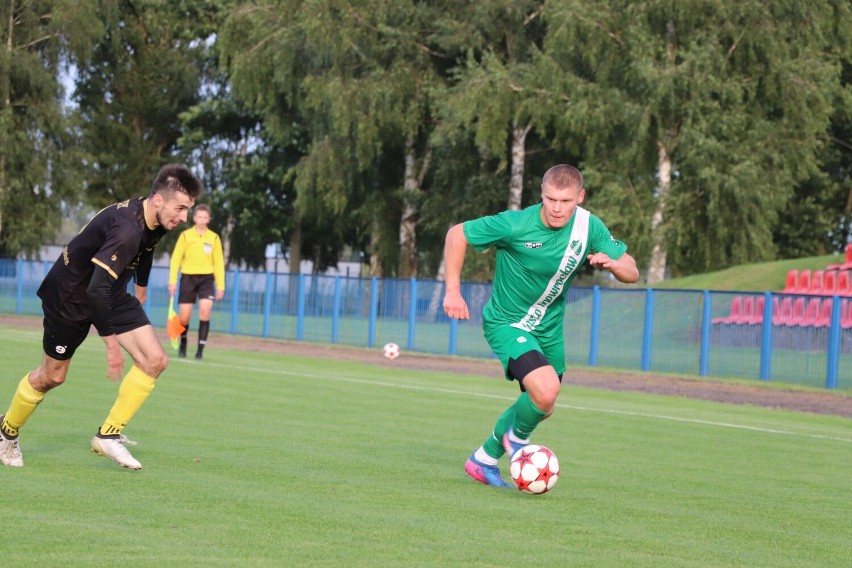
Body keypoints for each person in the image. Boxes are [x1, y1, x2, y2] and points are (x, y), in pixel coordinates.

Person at [442, 164, 639, 487]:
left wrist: (616, 264)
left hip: (548, 329)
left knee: (543, 405)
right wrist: (452, 291)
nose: (557, 208)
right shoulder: (516, 224)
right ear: (541, 195)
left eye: (566, 201)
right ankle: (516, 445)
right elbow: (457, 234)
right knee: (546, 390)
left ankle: (483, 459)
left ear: (580, 197)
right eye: (551, 199)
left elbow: (632, 271)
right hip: (507, 323)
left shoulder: (589, 227)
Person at [0, 164, 202, 470]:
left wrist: (142, 292)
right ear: (159, 200)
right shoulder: (127, 230)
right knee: (52, 377)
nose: (184, 217)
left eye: (189, 209)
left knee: (155, 360)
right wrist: (110, 345)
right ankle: (6, 432)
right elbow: (95, 290)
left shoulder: (156, 219)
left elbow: (146, 250)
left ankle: (108, 435)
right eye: (181, 208)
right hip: (70, 296)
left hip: (110, 290)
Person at [167, 204, 225, 360]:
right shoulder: (186, 236)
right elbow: (175, 260)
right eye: (199, 216)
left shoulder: (214, 238)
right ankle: (183, 343)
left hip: (207, 279)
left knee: (205, 311)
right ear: (194, 218)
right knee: (184, 317)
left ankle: (200, 351)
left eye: (205, 217)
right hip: (188, 278)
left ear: (209, 219)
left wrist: (221, 286)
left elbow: (219, 262)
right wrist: (172, 282)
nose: (202, 220)